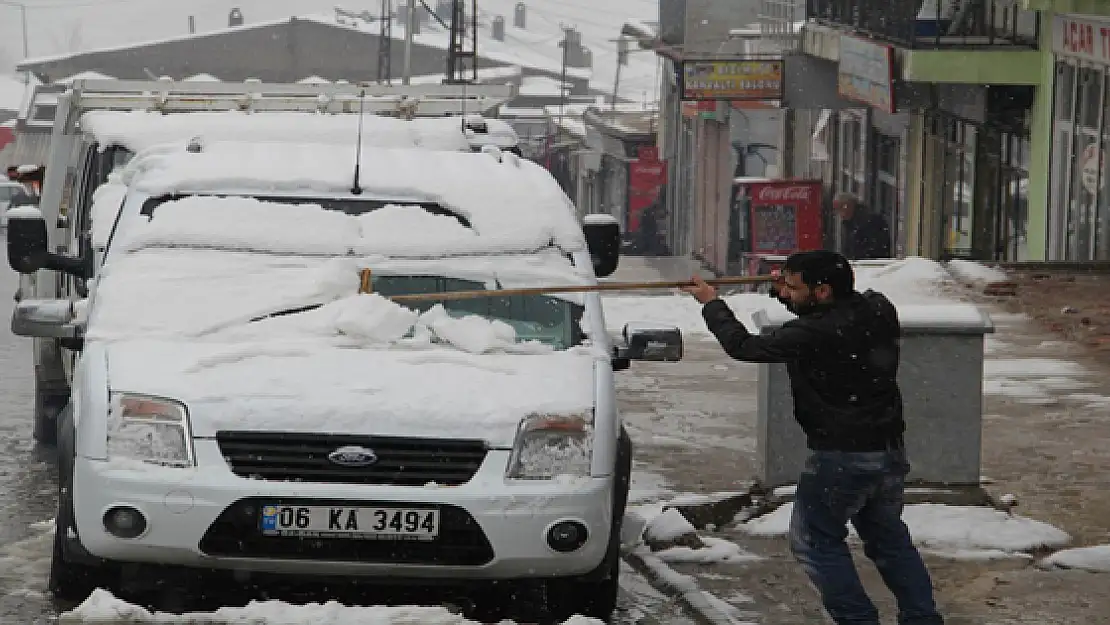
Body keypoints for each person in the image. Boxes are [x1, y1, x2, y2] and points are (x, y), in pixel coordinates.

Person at [681, 250, 943, 625]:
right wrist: (785, 290)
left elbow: (745, 347)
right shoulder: (877, 309)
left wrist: (711, 303)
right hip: (888, 452)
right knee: (889, 540)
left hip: (841, 458)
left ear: (821, 291)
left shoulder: (812, 333)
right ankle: (922, 618)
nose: (785, 292)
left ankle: (857, 620)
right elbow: (821, 317)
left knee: (816, 542)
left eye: (792, 286)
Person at [832, 192, 892, 260]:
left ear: (848, 205)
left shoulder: (870, 221)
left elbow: (876, 248)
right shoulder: (849, 223)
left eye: (839, 209)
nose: (839, 214)